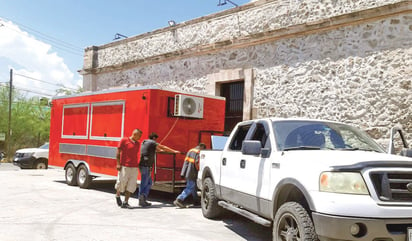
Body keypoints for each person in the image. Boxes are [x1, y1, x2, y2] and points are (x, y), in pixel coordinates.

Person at [138, 132, 180, 207]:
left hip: (145, 165)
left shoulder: (146, 142)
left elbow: (158, 149)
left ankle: (143, 197)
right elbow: (163, 147)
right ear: (154, 138)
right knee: (144, 182)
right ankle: (141, 199)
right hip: (145, 165)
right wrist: (174, 151)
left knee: (149, 182)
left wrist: (162, 151)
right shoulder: (152, 142)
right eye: (156, 139)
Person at [115, 129, 143, 209]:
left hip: (134, 167)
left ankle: (125, 202)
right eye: (139, 135)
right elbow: (118, 152)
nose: (140, 137)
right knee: (121, 183)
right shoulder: (124, 140)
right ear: (134, 134)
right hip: (125, 166)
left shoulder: (138, 143)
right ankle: (117, 195)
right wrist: (118, 164)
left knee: (131, 185)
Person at [174, 143, 206, 208]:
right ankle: (179, 199)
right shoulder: (198, 152)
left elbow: (186, 162)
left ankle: (196, 201)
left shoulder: (190, 150)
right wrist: (200, 171)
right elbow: (197, 163)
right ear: (202, 147)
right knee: (190, 187)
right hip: (193, 172)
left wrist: (183, 173)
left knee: (193, 188)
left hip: (187, 172)